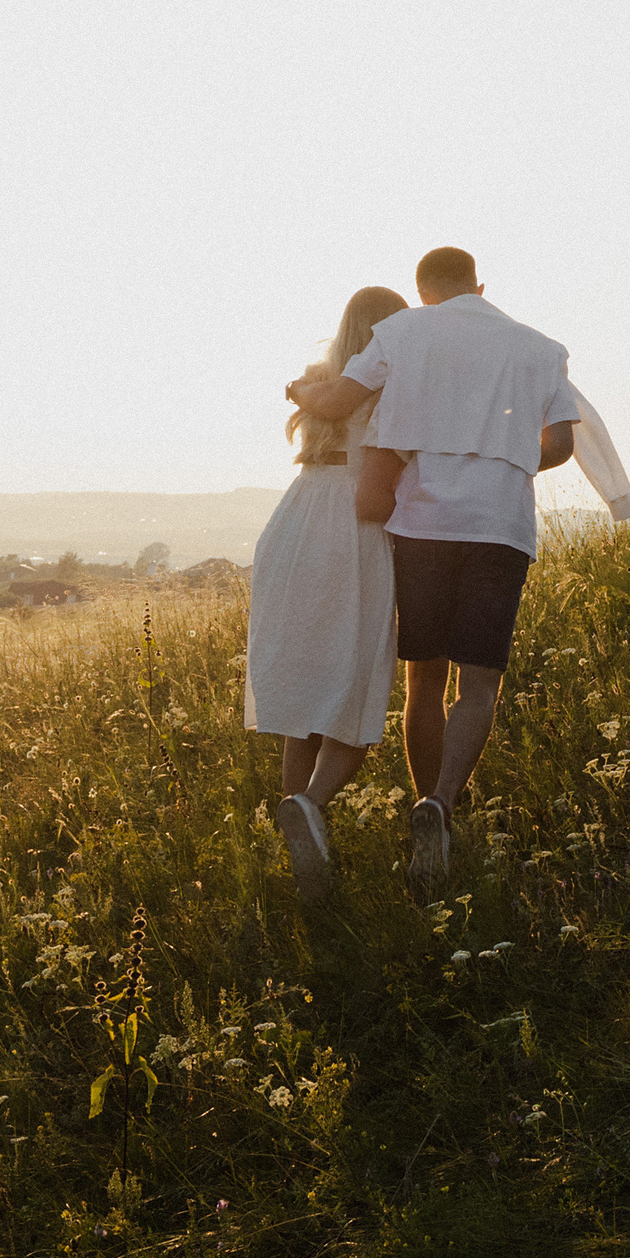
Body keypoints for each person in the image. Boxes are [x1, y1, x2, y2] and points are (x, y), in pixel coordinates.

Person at [285, 244, 630, 891]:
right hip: (498, 530)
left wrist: (297, 389)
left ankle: (401, 803)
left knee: (424, 681)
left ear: (422, 293)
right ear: (480, 284)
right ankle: (438, 807)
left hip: (423, 529)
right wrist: (505, 458)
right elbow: (559, 443)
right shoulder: (538, 347)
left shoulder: (405, 333)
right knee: (479, 687)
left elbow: (337, 404)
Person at [247, 281, 409, 905]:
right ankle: (311, 806)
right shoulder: (394, 382)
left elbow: (314, 401)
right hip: (356, 525)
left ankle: (299, 825)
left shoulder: (320, 379)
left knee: (305, 688)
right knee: (356, 678)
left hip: (296, 520)